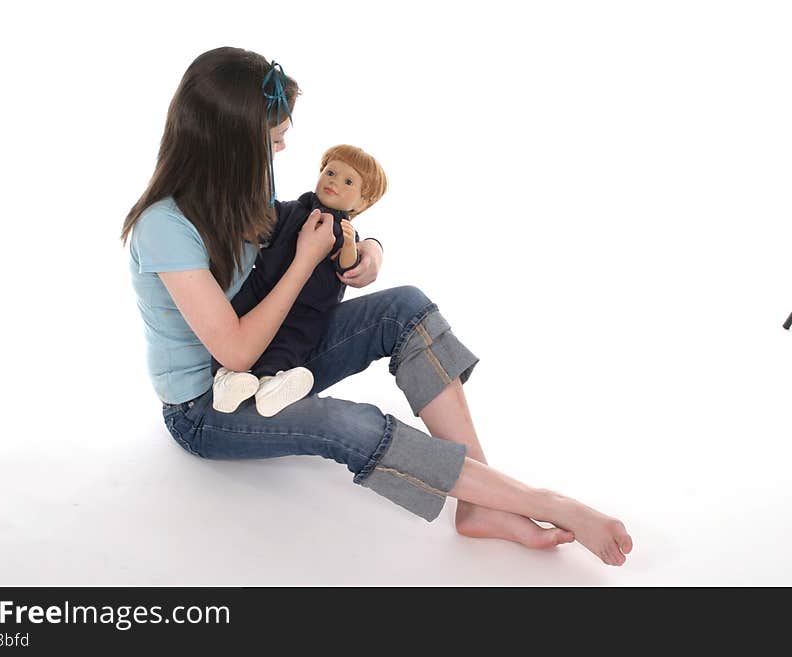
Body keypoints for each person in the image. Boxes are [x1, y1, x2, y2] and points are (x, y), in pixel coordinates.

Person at [120, 47, 634, 566]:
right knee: (349, 425)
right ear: (231, 141)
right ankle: (538, 501)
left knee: (405, 306)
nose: (284, 144)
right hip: (209, 407)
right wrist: (303, 261)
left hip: (273, 362)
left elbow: (308, 223)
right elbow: (233, 350)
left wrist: (368, 248)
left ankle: (480, 506)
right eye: (274, 136)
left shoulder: (241, 195)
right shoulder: (165, 226)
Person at [209, 144, 388, 417]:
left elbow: (347, 267)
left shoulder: (345, 234)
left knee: (290, 345)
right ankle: (226, 378)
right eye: (330, 172)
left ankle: (271, 383)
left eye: (348, 181)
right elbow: (263, 224)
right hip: (263, 291)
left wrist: (354, 243)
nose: (334, 182)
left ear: (362, 203)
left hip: (307, 311)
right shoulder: (294, 210)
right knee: (236, 319)